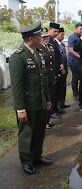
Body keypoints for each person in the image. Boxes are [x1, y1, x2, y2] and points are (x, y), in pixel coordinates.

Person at [9, 21, 53, 174]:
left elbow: (43, 80)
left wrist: (47, 99)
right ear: (31, 38)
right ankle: (27, 161)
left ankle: (37, 156)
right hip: (27, 104)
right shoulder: (18, 57)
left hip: (39, 101)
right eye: (38, 35)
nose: (41, 37)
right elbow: (17, 86)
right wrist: (20, 109)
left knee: (39, 131)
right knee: (27, 133)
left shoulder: (38, 53)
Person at [38, 28, 59, 129]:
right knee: (44, 101)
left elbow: (53, 62)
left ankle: (47, 121)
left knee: (50, 98)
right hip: (43, 78)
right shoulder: (38, 48)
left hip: (50, 77)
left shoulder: (50, 46)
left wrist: (54, 75)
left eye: (46, 37)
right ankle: (43, 122)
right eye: (43, 37)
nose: (45, 39)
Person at [48, 22, 65, 118]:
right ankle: (52, 111)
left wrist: (61, 65)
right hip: (52, 71)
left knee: (57, 91)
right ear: (49, 30)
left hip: (58, 69)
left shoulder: (54, 41)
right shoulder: (47, 41)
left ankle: (56, 108)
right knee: (53, 92)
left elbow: (58, 55)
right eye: (54, 31)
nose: (56, 33)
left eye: (57, 32)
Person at [68, 23, 82, 100]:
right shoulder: (72, 37)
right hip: (74, 61)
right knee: (75, 78)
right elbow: (71, 50)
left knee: (81, 77)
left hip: (80, 62)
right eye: (80, 29)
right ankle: (75, 94)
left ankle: (80, 93)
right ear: (76, 29)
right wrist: (80, 57)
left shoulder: (81, 37)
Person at [55, 27, 70, 109]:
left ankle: (62, 103)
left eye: (64, 34)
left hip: (64, 69)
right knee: (58, 89)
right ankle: (56, 106)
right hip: (59, 70)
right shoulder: (54, 44)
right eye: (61, 35)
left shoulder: (62, 44)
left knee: (63, 87)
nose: (63, 36)